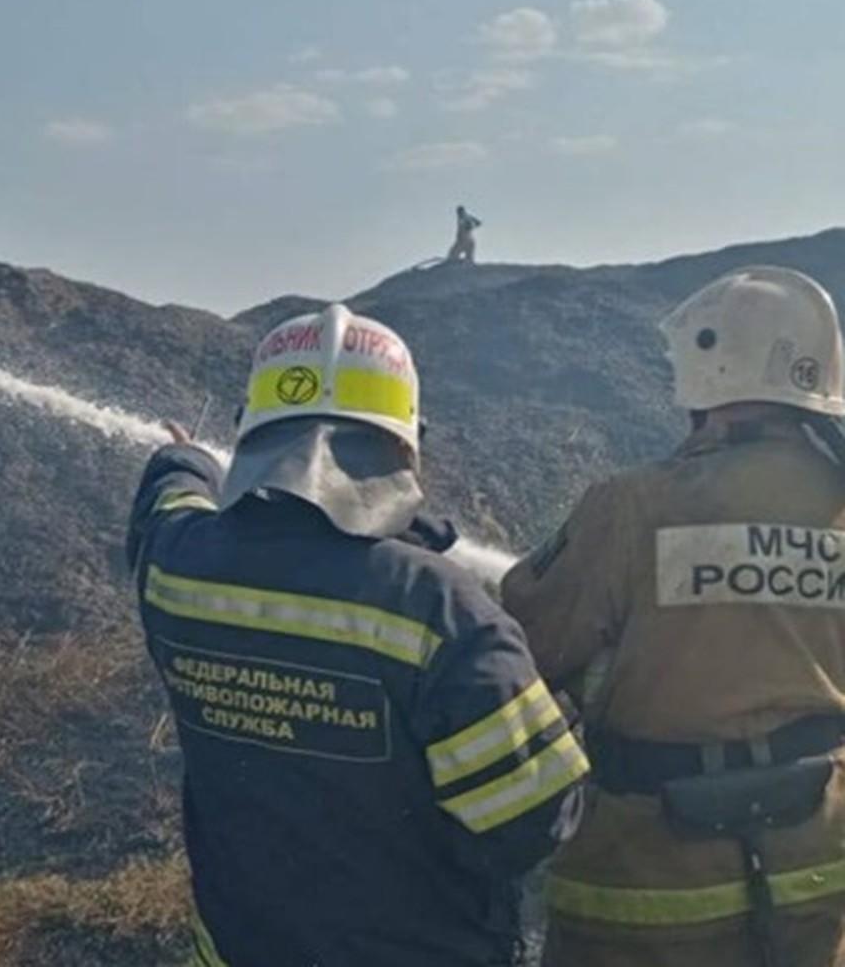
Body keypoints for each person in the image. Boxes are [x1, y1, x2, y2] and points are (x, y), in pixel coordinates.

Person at [127, 301, 587, 967]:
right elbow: (533, 820)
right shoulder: (442, 608)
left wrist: (183, 456)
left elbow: (167, 501)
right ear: (406, 441)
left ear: (249, 434)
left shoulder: (177, 562)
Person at [502, 265, 845, 967]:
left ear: (703, 372)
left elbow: (521, 643)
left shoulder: (633, 505)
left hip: (647, 889)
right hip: (819, 875)